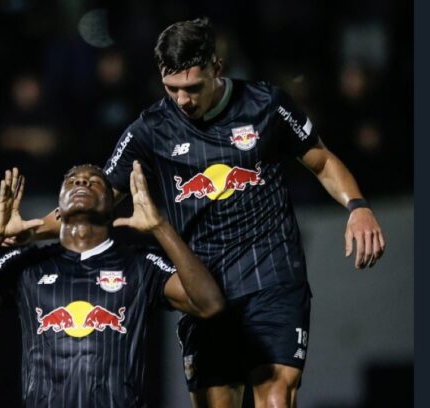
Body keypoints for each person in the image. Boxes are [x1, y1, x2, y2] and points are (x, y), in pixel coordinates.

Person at [29, 17, 386, 408]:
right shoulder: (150, 130)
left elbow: (321, 161)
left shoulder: (266, 104)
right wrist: (27, 230)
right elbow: (92, 206)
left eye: (192, 88)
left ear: (217, 68)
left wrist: (358, 206)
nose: (182, 100)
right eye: (172, 89)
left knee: (276, 397)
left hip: (273, 277)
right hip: (204, 291)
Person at [0, 163, 225, 407]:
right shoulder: (26, 266)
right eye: (72, 181)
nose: (82, 182)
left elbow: (209, 303)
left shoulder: (141, 264)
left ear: (111, 203)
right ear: (58, 209)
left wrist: (160, 227)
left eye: (94, 182)